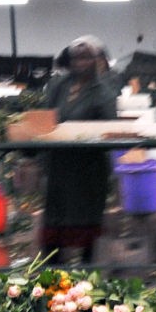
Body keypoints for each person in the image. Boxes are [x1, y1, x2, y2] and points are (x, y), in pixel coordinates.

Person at [37, 36, 118, 263]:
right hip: (59, 166)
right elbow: (46, 117)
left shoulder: (104, 92)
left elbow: (110, 128)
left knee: (86, 222)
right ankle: (51, 272)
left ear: (96, 61)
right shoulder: (58, 86)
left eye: (86, 58)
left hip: (88, 171)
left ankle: (86, 273)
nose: (80, 63)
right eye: (76, 58)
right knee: (54, 221)